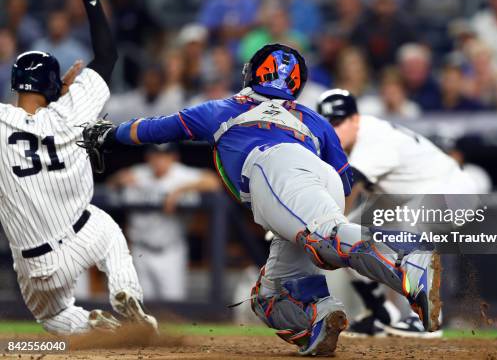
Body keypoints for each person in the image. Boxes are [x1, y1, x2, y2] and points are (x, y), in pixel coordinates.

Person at [81, 43, 441, 356]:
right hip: (315, 181)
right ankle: (319, 315)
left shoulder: (223, 108)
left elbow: (155, 128)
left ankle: (407, 262)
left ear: (253, 74)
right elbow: (343, 181)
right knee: (268, 297)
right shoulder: (315, 119)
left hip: (273, 169)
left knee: (325, 236)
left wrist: (110, 134)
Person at [0, 0, 157, 335]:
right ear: (53, 87)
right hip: (82, 233)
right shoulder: (72, 112)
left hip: (35, 264)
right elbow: (107, 56)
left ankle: (98, 330)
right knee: (110, 230)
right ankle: (125, 292)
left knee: (52, 316)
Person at [316, 89, 476, 338]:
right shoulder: (345, 143)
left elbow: (348, 185)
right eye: (328, 125)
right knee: (341, 236)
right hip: (404, 196)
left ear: (355, 118)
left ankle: (428, 319)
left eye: (338, 122)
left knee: (410, 225)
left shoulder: (372, 135)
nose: (334, 131)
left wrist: (311, 218)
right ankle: (379, 313)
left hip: (453, 191)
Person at [108, 144, 220, 301]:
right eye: (155, 155)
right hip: (140, 250)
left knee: (173, 305)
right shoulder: (139, 173)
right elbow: (110, 185)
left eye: (165, 155)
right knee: (140, 304)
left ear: (173, 157)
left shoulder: (180, 174)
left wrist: (179, 190)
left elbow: (213, 181)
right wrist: (119, 180)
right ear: (148, 157)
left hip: (170, 251)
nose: (160, 160)